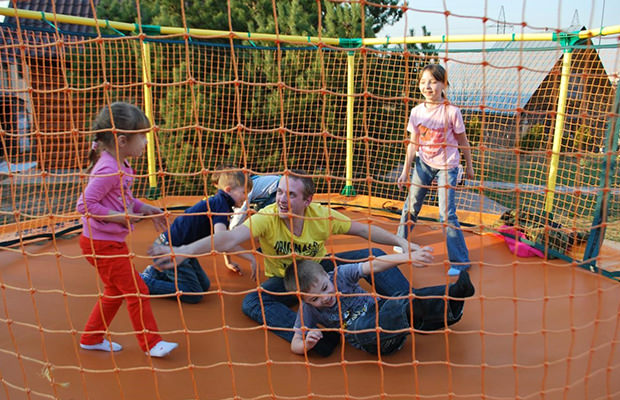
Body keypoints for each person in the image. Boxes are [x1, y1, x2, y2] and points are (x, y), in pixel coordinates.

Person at [149, 171, 426, 356]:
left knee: (373, 254)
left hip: (321, 271)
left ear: (307, 200)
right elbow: (228, 237)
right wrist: (184, 250)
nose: (281, 199)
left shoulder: (321, 215)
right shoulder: (267, 217)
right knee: (252, 303)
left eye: (290, 195)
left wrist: (401, 242)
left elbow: (363, 230)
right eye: (280, 192)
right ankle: (312, 335)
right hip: (288, 280)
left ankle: (412, 307)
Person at [77, 102, 177, 358]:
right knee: (138, 291)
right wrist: (120, 217)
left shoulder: (120, 165)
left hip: (106, 242)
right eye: (142, 136)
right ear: (122, 141)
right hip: (101, 244)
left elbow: (124, 199)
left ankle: (91, 337)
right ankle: (151, 343)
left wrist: (145, 208)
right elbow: (85, 204)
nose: (146, 142)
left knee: (114, 291)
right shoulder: (109, 169)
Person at [283, 254, 474, 355]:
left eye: (325, 288)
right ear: (305, 301)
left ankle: (452, 304)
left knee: (400, 301)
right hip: (372, 340)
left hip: (388, 319)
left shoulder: (341, 275)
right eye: (315, 299)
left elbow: (374, 265)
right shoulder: (308, 310)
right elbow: (295, 343)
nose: (324, 298)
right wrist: (306, 344)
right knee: (362, 326)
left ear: (327, 275)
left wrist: (408, 256)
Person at [397, 63, 475, 276]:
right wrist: (405, 171)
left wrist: (469, 166)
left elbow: (463, 141)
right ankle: (400, 241)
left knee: (446, 214)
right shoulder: (416, 112)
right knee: (412, 204)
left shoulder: (451, 112)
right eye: (423, 82)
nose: (427, 86)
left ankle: (460, 262)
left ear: (443, 84)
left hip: (447, 167)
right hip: (423, 163)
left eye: (432, 82)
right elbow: (413, 143)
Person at [140, 167, 256, 303]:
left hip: (179, 250)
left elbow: (223, 238)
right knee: (193, 293)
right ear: (228, 190)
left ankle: (153, 274)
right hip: (169, 251)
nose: (246, 197)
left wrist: (228, 261)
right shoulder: (221, 205)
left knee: (204, 285)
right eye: (243, 192)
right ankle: (143, 282)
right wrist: (249, 257)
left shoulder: (220, 202)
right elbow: (222, 239)